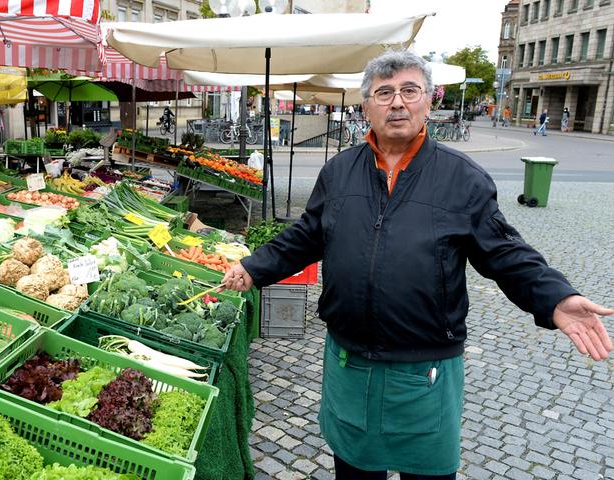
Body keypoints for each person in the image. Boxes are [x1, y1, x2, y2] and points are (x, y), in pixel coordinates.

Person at [222, 51, 612, 480]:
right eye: (384, 93)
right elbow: (307, 235)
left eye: (410, 91)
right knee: (353, 472)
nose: (397, 103)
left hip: (425, 369)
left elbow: (505, 253)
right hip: (350, 362)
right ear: (365, 104)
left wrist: (555, 297)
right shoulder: (338, 173)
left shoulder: (462, 178)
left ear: (429, 102)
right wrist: (255, 267)